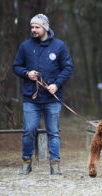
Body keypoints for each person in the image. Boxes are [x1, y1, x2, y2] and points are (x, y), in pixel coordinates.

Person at [13, 14, 73, 175]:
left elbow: (67, 68)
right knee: (29, 130)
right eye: (32, 27)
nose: (33, 29)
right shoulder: (25, 46)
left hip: (52, 98)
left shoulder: (59, 46)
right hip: (30, 97)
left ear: (45, 27)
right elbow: (16, 66)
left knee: (53, 132)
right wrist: (26, 73)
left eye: (37, 27)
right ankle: (26, 162)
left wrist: (56, 84)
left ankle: (55, 165)